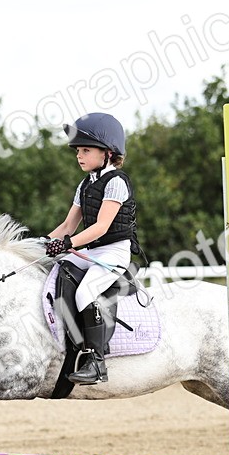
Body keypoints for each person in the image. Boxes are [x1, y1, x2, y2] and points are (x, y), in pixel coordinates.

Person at [43, 112, 137, 385]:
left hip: (114, 253)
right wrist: (40, 244)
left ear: (107, 153)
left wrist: (68, 243)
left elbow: (101, 227)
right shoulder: (85, 185)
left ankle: (97, 362)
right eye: (78, 151)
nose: (79, 155)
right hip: (93, 252)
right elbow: (67, 225)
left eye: (86, 150)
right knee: (59, 270)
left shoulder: (117, 182)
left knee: (85, 292)